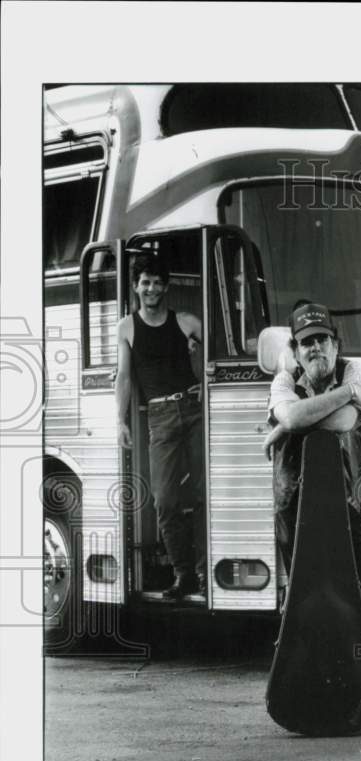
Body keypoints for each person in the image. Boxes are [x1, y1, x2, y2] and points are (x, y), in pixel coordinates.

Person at [267, 301, 361, 736]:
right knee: (301, 600)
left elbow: (341, 423)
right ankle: (307, 694)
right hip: (295, 508)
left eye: (323, 340)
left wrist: (289, 427)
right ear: (296, 351)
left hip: (350, 508)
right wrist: (298, 418)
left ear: (336, 344)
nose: (316, 349)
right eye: (307, 344)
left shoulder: (355, 370)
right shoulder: (285, 380)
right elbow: (297, 413)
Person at [116, 253, 206, 600]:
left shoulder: (186, 322)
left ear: (166, 287)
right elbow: (124, 377)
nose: (151, 288)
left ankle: (203, 571)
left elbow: (215, 358)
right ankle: (184, 576)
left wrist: (198, 354)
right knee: (165, 499)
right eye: (145, 282)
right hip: (160, 417)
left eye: (157, 282)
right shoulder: (127, 327)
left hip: (195, 410)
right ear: (137, 287)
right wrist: (119, 421)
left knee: (203, 493)